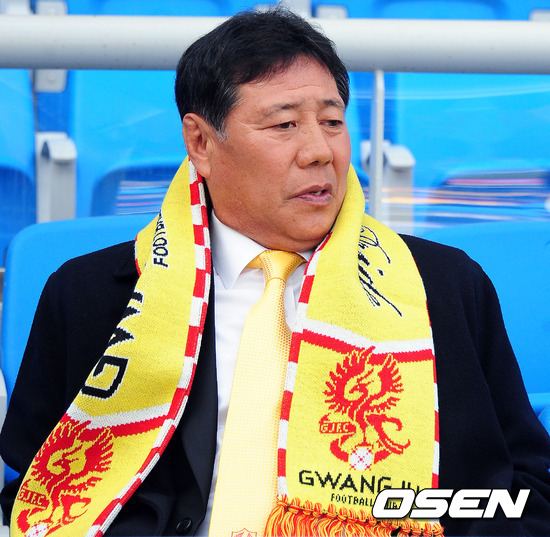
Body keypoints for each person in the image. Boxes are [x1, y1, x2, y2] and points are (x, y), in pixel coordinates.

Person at [1, 8, 550, 537]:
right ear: (201, 143)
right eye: (284, 124)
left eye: (332, 122)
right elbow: (38, 494)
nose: (320, 152)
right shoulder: (93, 293)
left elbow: (526, 490)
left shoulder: (441, 287)